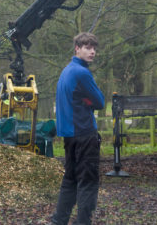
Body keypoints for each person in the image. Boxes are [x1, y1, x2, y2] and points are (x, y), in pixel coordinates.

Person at [51, 32, 105, 225]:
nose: (92, 52)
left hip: (69, 136)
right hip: (84, 134)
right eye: (87, 47)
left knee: (70, 181)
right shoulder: (82, 73)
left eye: (94, 48)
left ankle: (59, 221)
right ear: (77, 48)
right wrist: (89, 101)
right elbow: (100, 102)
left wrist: (85, 100)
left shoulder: (66, 70)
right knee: (88, 183)